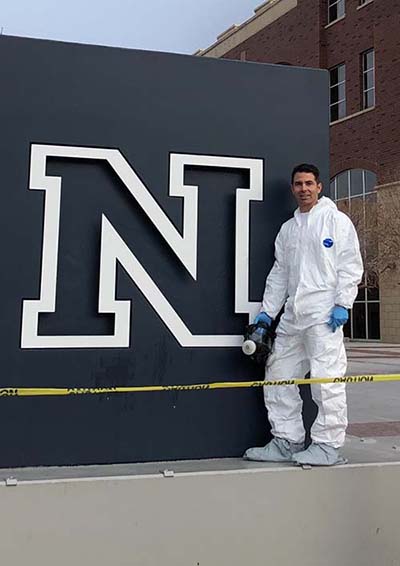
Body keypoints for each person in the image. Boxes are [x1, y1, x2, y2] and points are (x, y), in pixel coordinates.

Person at [244, 163, 363, 466]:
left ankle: (327, 445)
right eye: (298, 184)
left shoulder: (336, 221)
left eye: (309, 183)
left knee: (326, 380)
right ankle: (287, 440)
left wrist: (343, 303)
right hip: (293, 315)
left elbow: (350, 265)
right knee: (278, 374)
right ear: (293, 188)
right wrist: (266, 315)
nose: (304, 189)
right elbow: (279, 275)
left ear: (319, 187)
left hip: (324, 314)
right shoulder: (288, 230)